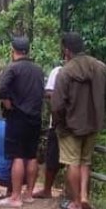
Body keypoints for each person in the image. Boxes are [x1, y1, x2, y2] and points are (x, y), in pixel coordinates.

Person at [51, 33, 106, 209]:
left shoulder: (66, 71)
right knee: (86, 161)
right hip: (94, 124)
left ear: (67, 50)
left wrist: (60, 123)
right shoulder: (102, 68)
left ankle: (76, 202)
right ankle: (84, 196)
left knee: (73, 163)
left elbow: (57, 104)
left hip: (71, 125)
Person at [0, 36, 45, 208]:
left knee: (17, 155)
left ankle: (15, 197)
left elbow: (2, 86)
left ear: (13, 51)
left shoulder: (13, 68)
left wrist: (7, 103)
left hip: (18, 116)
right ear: (28, 51)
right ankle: (29, 194)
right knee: (31, 155)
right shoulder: (38, 70)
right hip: (35, 117)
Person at [34, 63, 64, 199]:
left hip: (58, 122)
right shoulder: (90, 69)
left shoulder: (58, 71)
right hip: (82, 122)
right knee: (78, 161)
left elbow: (49, 94)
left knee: (53, 158)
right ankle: (76, 194)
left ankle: (47, 190)